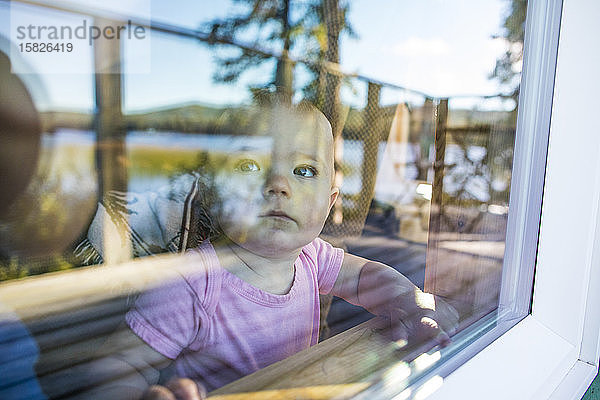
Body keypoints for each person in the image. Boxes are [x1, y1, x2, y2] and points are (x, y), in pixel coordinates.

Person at [90, 97, 457, 400]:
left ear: (329, 202)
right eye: (250, 164)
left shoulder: (311, 256)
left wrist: (410, 303)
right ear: (216, 193)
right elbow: (116, 367)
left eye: (304, 171)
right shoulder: (192, 284)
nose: (278, 183)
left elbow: (363, 276)